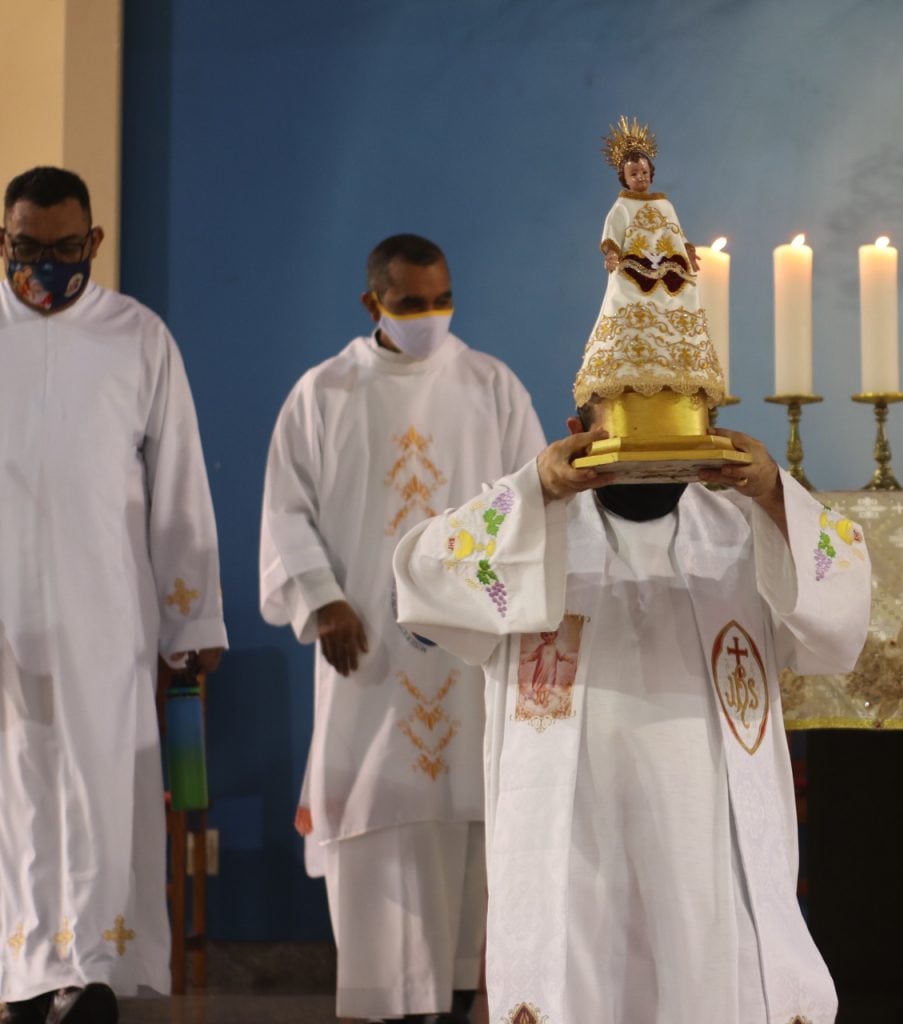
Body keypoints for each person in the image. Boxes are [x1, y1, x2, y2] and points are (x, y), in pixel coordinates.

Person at [391, 406, 872, 1024]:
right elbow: (419, 578)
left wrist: (778, 493)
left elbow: (842, 623)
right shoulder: (530, 525)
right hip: (575, 834)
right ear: (577, 429)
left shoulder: (743, 530)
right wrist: (536, 485)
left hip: (711, 833)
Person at [259, 233, 545, 1023]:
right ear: (372, 304)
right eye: (412, 304)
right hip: (368, 655)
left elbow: (536, 503)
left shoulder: (492, 386)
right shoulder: (324, 394)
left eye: (442, 300)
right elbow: (286, 511)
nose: (431, 317)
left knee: (472, 816)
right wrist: (322, 599)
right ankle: (385, 999)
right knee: (376, 816)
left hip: (470, 654)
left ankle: (466, 990)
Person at [0, 167, 226, 1024]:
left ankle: (89, 969)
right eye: (28, 249)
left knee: (100, 784)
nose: (46, 265)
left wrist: (191, 613)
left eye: (65, 249)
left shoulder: (137, 337)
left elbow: (180, 486)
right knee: (15, 791)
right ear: (3, 241)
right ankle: (22, 972)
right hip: (5, 610)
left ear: (93, 244)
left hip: (106, 609)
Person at [578, 116, 722, 408]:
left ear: (651, 173)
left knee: (682, 302)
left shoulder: (664, 205)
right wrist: (612, 253)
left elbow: (675, 233)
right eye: (634, 174)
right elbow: (612, 234)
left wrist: (688, 253)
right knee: (627, 305)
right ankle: (631, 366)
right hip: (635, 269)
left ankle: (680, 365)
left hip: (670, 269)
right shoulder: (622, 206)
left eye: (644, 172)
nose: (640, 178)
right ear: (624, 177)